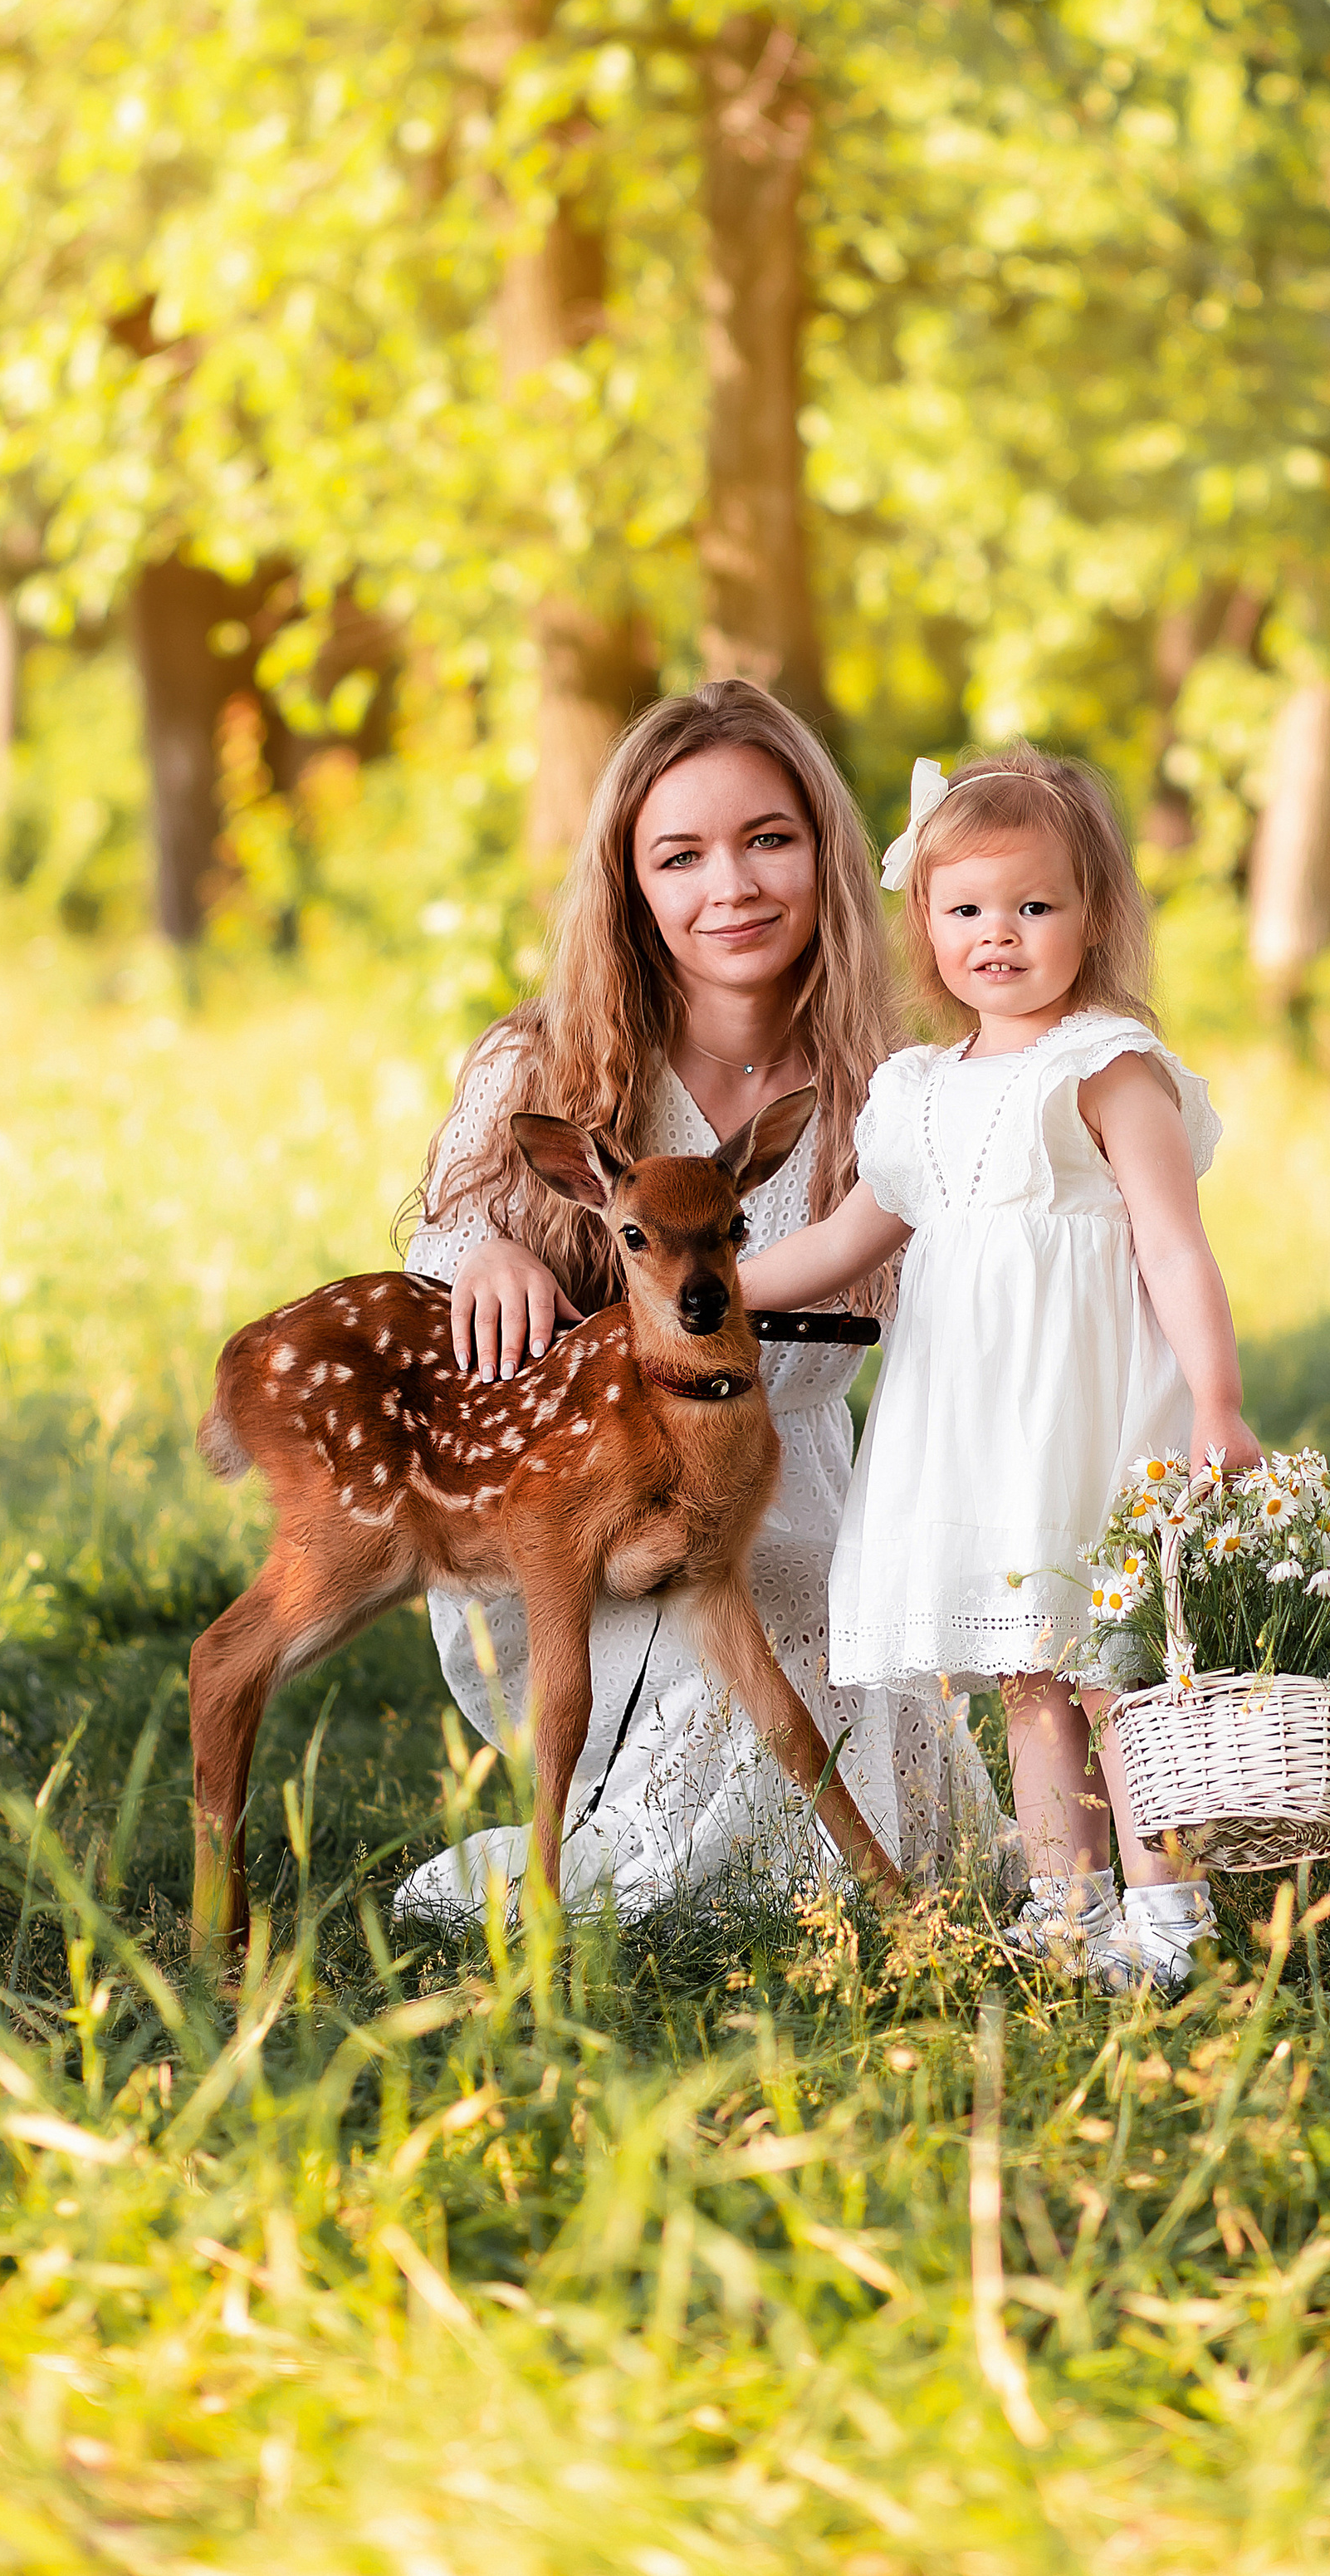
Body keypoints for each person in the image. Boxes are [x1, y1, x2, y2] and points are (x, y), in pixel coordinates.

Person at [393, 682, 999, 1927]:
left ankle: (827, 1883)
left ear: (825, 856)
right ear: (631, 884)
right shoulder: (550, 1062)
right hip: (585, 1525)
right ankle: (643, 1879)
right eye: (681, 855)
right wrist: (481, 1257)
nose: (731, 886)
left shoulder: (898, 1092)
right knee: (797, 1647)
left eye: (768, 840)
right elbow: (442, 1241)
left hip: (795, 1494)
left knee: (851, 1642)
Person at [740, 744, 1263, 1991]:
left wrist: (1220, 1402)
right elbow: (843, 1240)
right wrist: (706, 1290)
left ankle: (1168, 1920)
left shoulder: (1104, 1069)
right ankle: (1067, 1907)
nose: (1001, 936)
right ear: (923, 922)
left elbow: (1177, 1249)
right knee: (1029, 1677)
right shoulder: (918, 1094)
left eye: (1036, 907)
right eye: (967, 908)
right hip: (973, 1428)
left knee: (1112, 1678)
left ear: (1094, 918)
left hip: (1086, 1417)